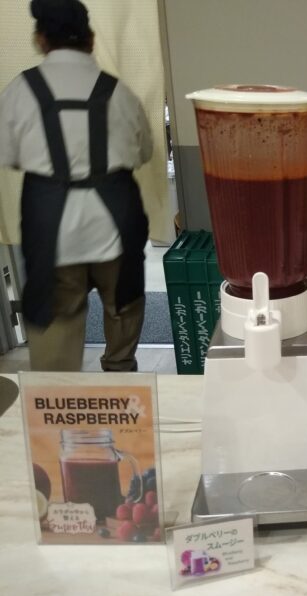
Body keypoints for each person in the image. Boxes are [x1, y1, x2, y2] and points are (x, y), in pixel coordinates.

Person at [0, 0, 152, 371]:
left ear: (40, 39)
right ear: (91, 39)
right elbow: (144, 152)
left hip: (50, 225)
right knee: (123, 305)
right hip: (116, 221)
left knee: (55, 323)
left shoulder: (20, 91)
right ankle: (120, 378)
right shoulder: (119, 92)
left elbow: (7, 153)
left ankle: (59, 394)